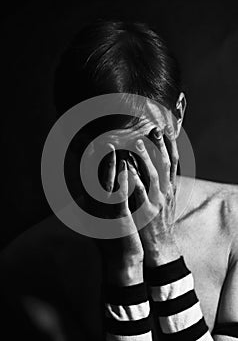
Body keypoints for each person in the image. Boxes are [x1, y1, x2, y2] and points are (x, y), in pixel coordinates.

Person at [1, 19, 238, 341]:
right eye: (108, 152)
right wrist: (124, 269)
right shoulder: (33, 263)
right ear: (71, 140)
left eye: (150, 142)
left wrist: (162, 248)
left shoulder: (233, 224)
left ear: (178, 116)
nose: (132, 174)